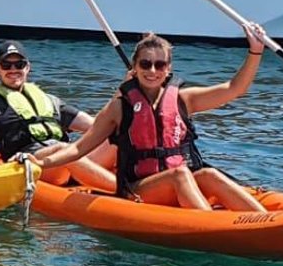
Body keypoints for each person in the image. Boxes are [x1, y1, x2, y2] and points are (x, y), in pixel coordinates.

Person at [35, 28, 269, 210]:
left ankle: (264, 221)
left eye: (160, 64)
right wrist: (42, 164)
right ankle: (213, 227)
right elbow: (78, 150)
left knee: (207, 174)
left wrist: (255, 51)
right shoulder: (119, 107)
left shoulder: (184, 99)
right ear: (134, 67)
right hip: (138, 189)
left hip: (178, 180)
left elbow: (234, 88)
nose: (153, 70)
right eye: (145, 64)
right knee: (180, 174)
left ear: (169, 69)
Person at [0, 41, 116, 189]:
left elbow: (99, 126)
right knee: (60, 149)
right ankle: (123, 191)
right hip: (33, 163)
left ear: (28, 67)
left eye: (19, 64)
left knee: (117, 135)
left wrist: (124, 90)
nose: (13, 69)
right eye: (6, 65)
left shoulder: (50, 100)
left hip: (69, 160)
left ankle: (134, 179)